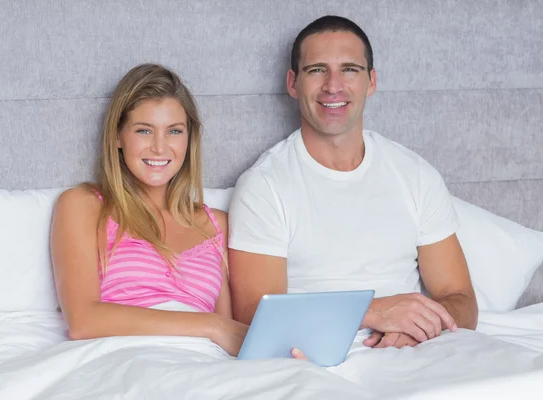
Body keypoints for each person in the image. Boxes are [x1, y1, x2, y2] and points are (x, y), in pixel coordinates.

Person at [228, 15, 478, 349]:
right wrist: (373, 312)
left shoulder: (414, 174)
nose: (333, 85)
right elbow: (255, 320)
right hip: (311, 357)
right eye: (317, 69)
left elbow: (461, 299)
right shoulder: (264, 185)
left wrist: (418, 326)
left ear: (371, 82)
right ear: (292, 83)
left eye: (349, 69)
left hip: (414, 351)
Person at [50, 64, 249, 356]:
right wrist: (210, 325)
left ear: (189, 139)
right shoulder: (84, 206)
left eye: (174, 131)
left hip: (203, 368)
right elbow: (83, 321)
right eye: (144, 130)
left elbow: (231, 337)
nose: (159, 147)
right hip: (126, 362)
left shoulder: (215, 225)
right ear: (118, 137)